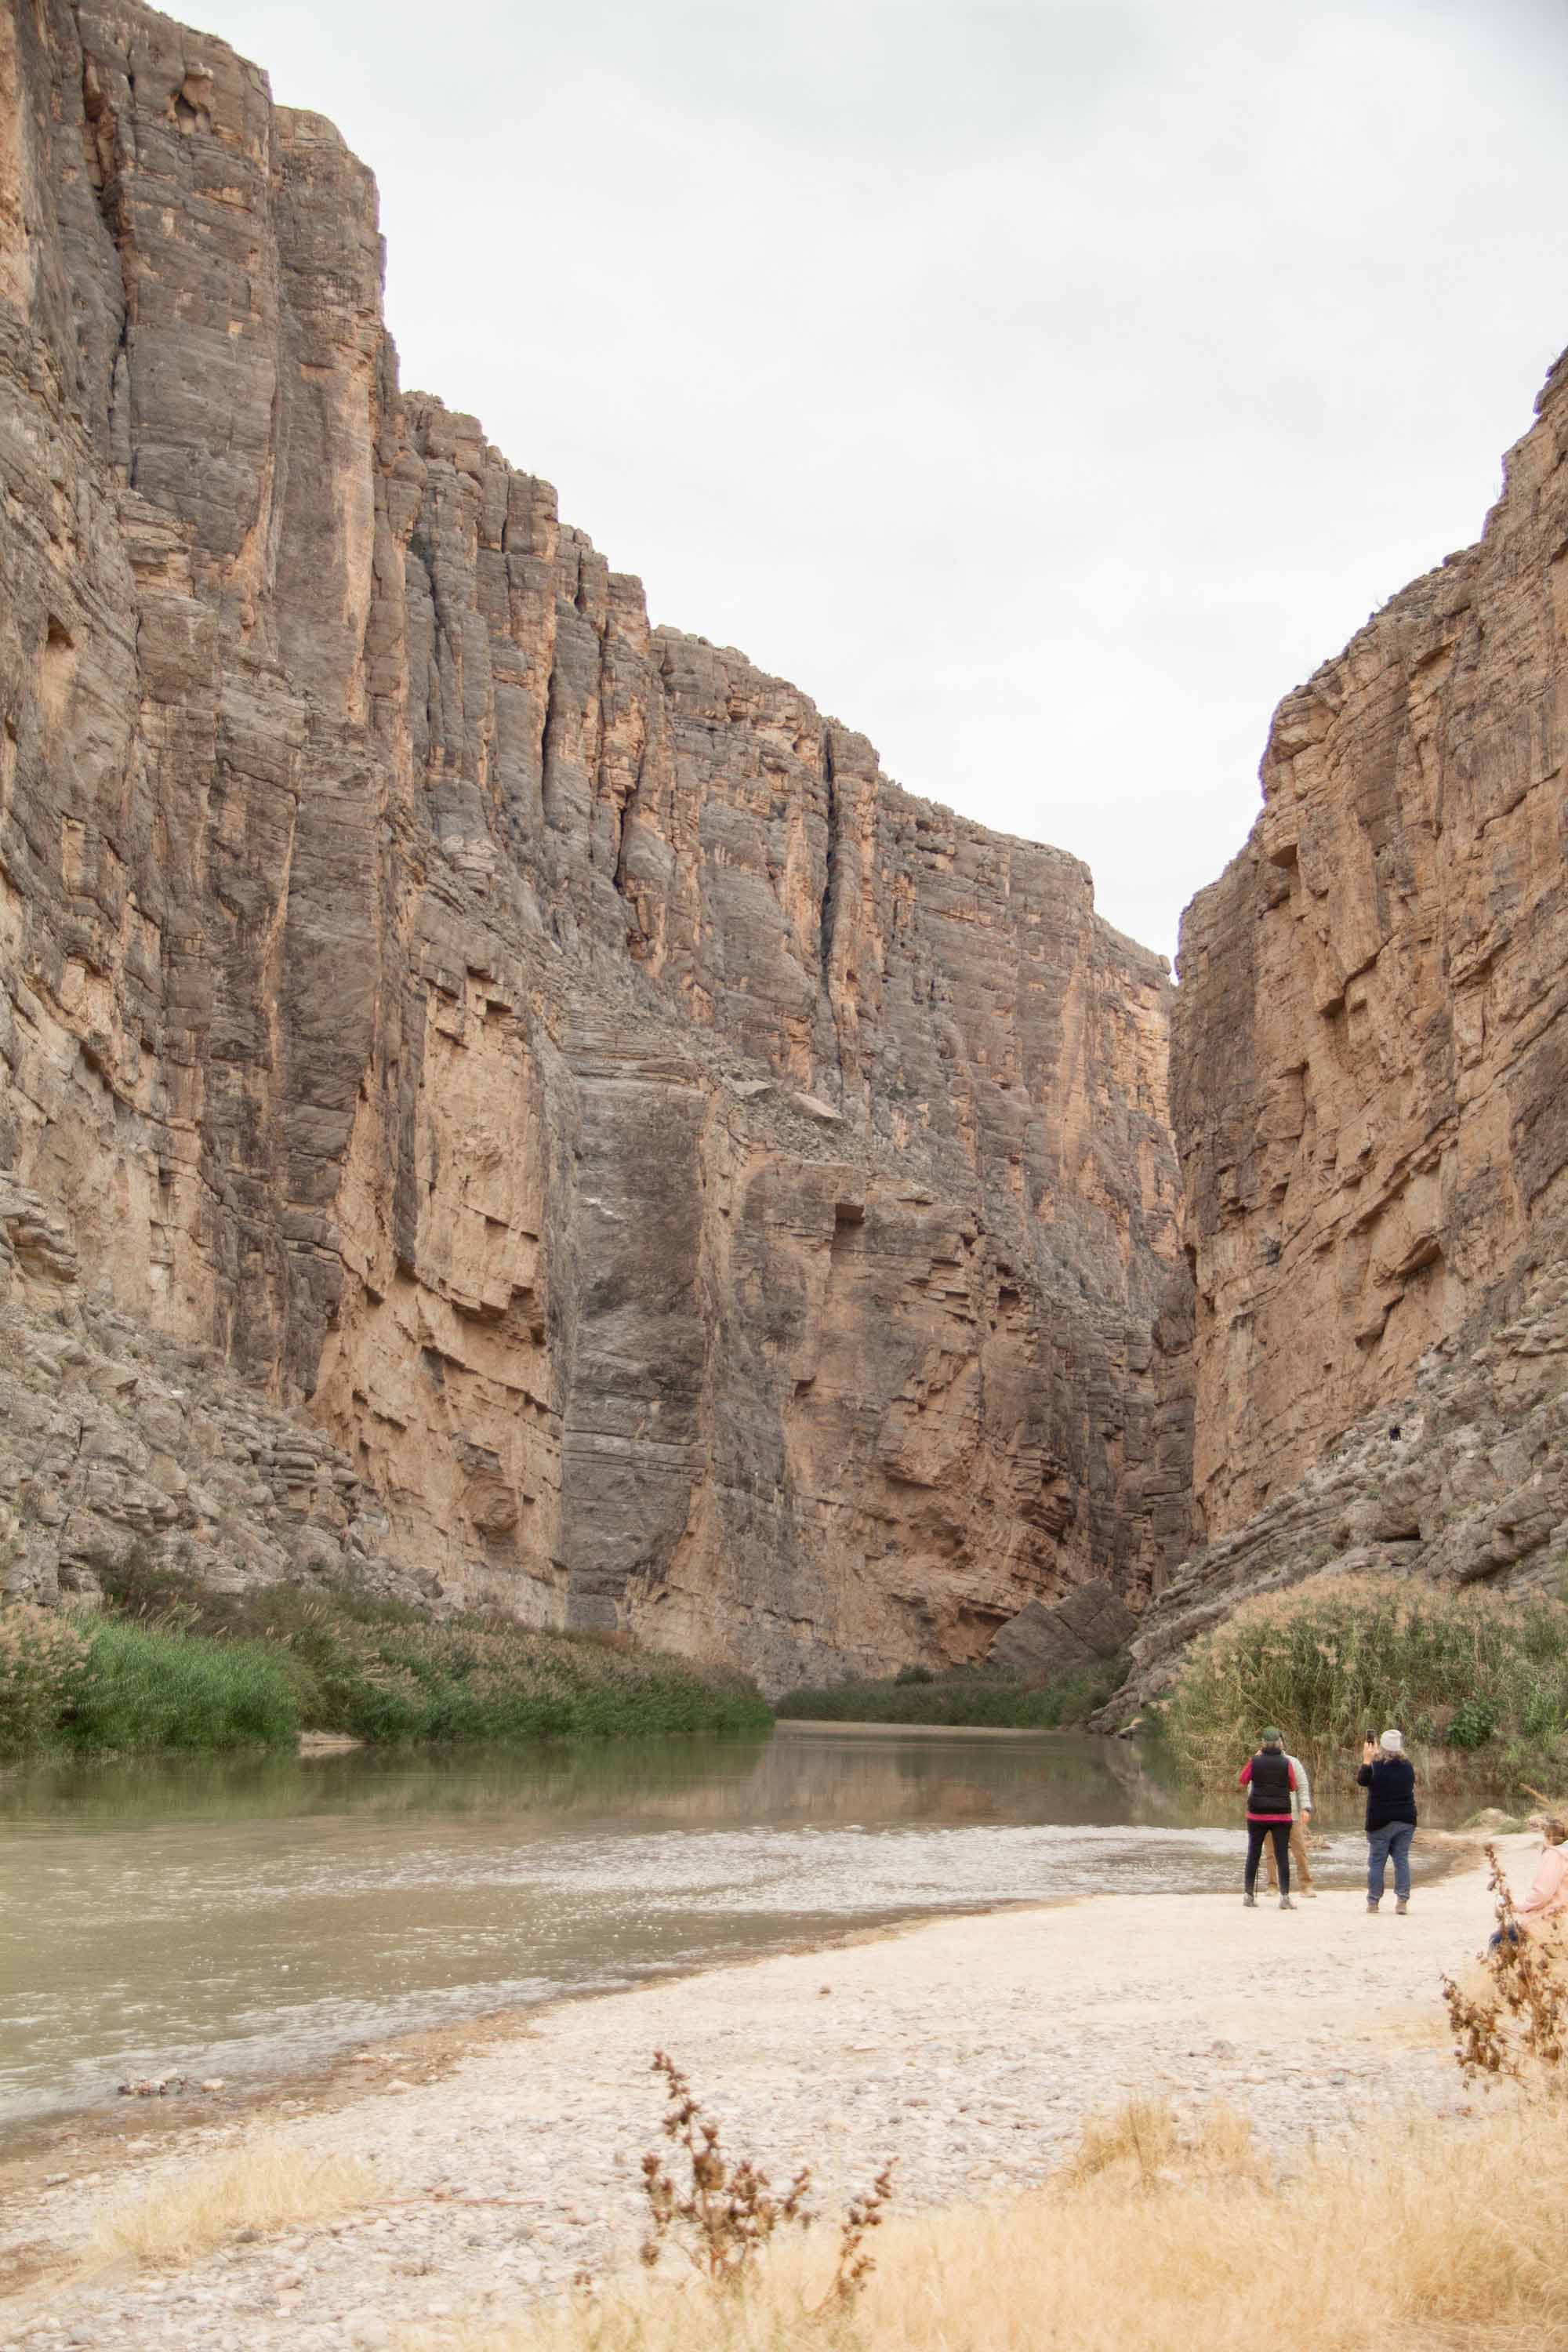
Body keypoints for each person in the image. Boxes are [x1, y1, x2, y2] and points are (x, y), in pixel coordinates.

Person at [1357, 1728, 1417, 1913]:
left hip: (1380, 1821)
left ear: (1380, 1746)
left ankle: (1373, 1902)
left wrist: (1367, 1759)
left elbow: (1362, 1780)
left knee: (1377, 1861)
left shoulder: (1375, 1766)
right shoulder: (1408, 1767)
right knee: (1401, 1859)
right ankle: (1402, 1901)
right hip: (1406, 1819)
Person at [1237, 1727, 1298, 1909]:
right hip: (1281, 1815)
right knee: (1282, 1856)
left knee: (1253, 1853)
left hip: (1256, 1815)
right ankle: (1285, 1898)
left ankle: (1248, 1895)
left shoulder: (1254, 1761)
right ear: (1280, 1742)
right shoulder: (1286, 1763)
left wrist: (1256, 1759)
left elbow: (1242, 1780)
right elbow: (1293, 1786)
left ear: (1262, 1743)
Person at [1491, 1818, 1568, 1947]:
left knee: (1497, 1939)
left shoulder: (1555, 1855)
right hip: (1562, 1914)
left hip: (1557, 1917)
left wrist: (1518, 1906)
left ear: (1548, 1837)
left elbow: (1542, 1895)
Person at [1262, 1744, 1316, 1898]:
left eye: (1277, 1741)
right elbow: (1252, 1787)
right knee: (1270, 1853)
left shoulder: (1292, 1762)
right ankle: (1272, 1886)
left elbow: (1303, 1787)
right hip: (1268, 1815)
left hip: (1291, 1816)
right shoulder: (1259, 1762)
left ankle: (1306, 1886)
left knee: (1299, 1851)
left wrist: (1305, 1807)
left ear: (1282, 1744)